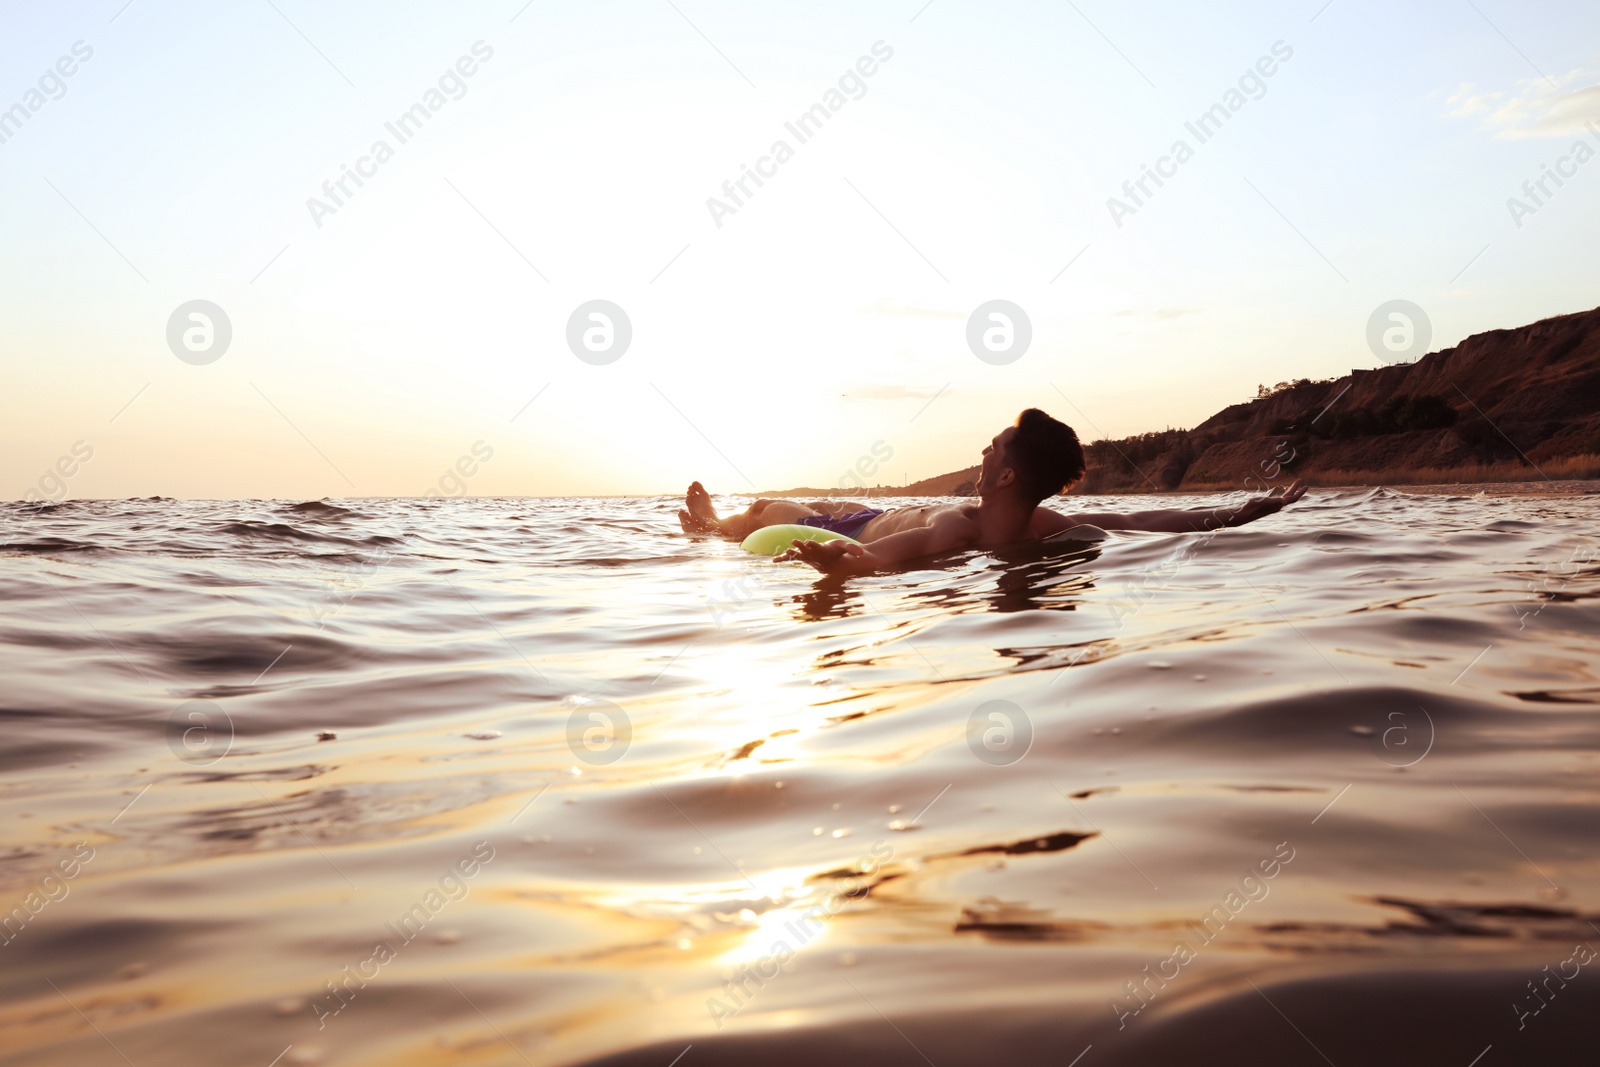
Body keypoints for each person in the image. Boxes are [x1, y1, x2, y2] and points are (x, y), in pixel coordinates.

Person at [677, 408, 1306, 576]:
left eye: (993, 447)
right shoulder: (1041, 526)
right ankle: (712, 525)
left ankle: (715, 527)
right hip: (871, 516)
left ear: (1006, 475)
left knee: (780, 509)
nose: (982, 452)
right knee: (786, 505)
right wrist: (1235, 514)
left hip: (853, 532)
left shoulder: (960, 529)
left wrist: (848, 563)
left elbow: (893, 555)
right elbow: (1137, 520)